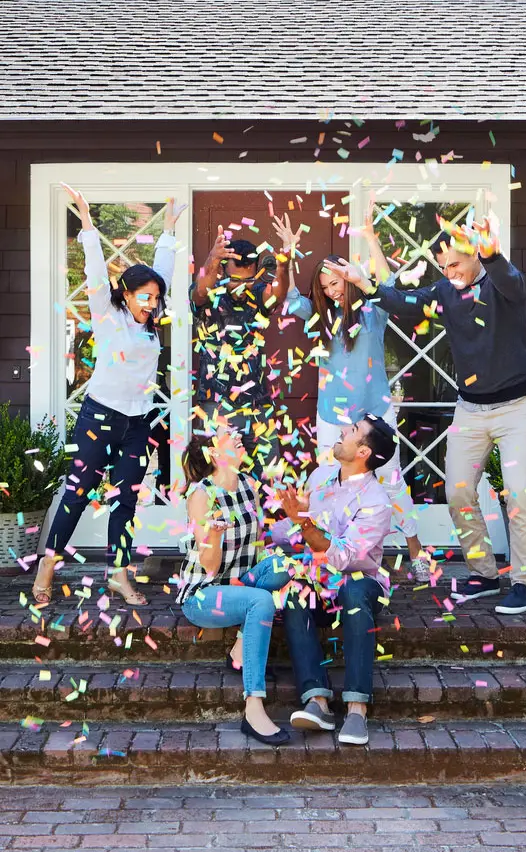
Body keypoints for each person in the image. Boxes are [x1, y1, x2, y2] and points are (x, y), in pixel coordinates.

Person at [326, 212, 526, 615]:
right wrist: (364, 283)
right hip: (471, 408)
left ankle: (525, 582)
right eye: (443, 267)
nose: (450, 273)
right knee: (458, 490)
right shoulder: (445, 291)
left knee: (516, 493)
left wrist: (492, 251)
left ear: (476, 255)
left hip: (518, 407)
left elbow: (510, 279)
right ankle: (484, 572)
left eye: (456, 264)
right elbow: (405, 303)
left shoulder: (502, 284)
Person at [32, 184, 186, 607]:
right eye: (146, 297)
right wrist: (85, 220)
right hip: (100, 416)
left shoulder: (150, 317)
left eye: (156, 298)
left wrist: (169, 229)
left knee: (126, 500)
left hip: (138, 422)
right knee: (78, 492)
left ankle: (118, 574)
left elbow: (164, 271)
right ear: (126, 294)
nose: (153, 303)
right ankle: (47, 564)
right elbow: (96, 274)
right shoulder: (108, 314)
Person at [273, 207, 430, 583]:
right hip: (334, 420)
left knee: (392, 482)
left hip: (375, 413)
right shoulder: (317, 316)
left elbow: (388, 282)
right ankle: (335, 555)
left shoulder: (375, 310)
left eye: (337, 280)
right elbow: (285, 295)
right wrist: (287, 255)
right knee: (328, 487)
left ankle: (416, 550)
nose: (332, 289)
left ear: (349, 276)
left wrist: (370, 233)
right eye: (325, 286)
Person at [270, 415, 395, 746]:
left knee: (354, 591)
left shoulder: (376, 502)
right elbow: (289, 536)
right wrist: (289, 519)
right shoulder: (321, 476)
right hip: (317, 582)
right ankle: (318, 701)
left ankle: (357, 708)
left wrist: (305, 525)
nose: (342, 432)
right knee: (295, 592)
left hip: (361, 584)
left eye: (352, 431)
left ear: (364, 452)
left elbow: (346, 557)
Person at [177, 425, 291, 745]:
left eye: (238, 434)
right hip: (203, 594)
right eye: (229, 435)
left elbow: (256, 549)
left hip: (240, 583)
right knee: (261, 603)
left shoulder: (248, 485)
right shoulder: (201, 495)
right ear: (214, 452)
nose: (239, 437)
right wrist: (212, 535)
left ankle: (240, 648)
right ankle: (253, 708)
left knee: (288, 566)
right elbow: (210, 566)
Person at [190, 226, 291, 481]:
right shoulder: (210, 292)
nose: (240, 287)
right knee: (214, 476)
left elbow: (277, 294)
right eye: (235, 279)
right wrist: (213, 257)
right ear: (224, 269)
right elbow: (199, 293)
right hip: (215, 405)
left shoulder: (258, 293)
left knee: (269, 478)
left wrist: (284, 265)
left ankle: (257, 522)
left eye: (247, 280)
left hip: (257, 404)